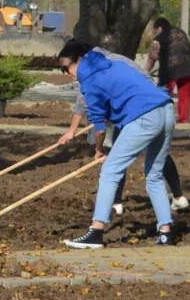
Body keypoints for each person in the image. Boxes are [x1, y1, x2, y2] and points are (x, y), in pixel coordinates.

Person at [56, 39, 177, 248]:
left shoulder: (89, 81)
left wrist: (99, 149)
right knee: (154, 175)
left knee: (110, 170)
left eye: (66, 68)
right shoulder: (113, 64)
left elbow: (99, 125)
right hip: (165, 110)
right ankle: (165, 232)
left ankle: (96, 231)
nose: (66, 74)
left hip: (144, 117)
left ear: (79, 60)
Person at [146, 15, 190, 124]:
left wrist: (145, 71)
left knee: (163, 93)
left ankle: (161, 118)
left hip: (170, 69)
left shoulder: (158, 38)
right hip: (189, 67)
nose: (155, 33)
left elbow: (153, 57)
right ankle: (184, 119)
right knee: (185, 95)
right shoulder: (181, 32)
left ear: (159, 28)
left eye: (155, 30)